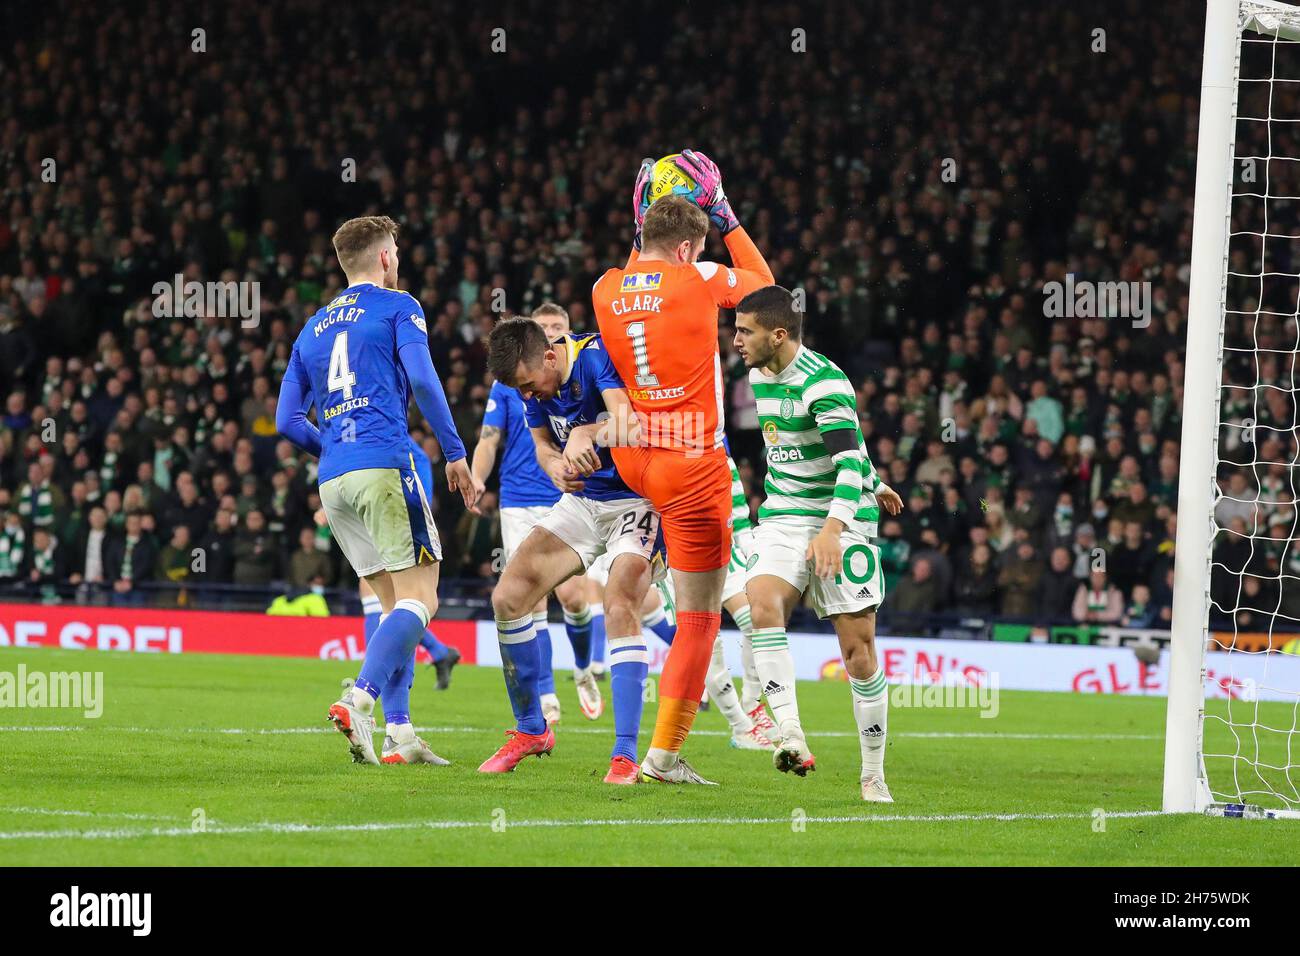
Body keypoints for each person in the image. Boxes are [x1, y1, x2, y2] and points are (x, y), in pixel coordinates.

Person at [592, 152, 775, 784]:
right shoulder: (698, 278)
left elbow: (647, 254)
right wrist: (724, 214)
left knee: (654, 589)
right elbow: (766, 287)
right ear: (690, 247)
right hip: (692, 463)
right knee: (700, 618)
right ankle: (663, 757)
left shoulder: (603, 287)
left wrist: (649, 209)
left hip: (633, 457)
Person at [275, 214, 479, 767]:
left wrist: (336, 450)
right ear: (385, 257)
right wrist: (456, 452)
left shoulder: (311, 327)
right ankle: (358, 698)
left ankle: (401, 734)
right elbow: (423, 379)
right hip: (385, 464)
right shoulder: (399, 306)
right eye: (396, 250)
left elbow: (287, 420)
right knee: (423, 597)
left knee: (393, 606)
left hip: (334, 480)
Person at [733, 284, 904, 801]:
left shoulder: (826, 383)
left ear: (778, 335)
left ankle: (873, 773)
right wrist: (873, 475)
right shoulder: (756, 374)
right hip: (784, 515)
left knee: (858, 652)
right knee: (762, 602)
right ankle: (790, 734)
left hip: (843, 518)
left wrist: (837, 525)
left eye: (746, 332)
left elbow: (847, 458)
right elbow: (845, 443)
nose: (737, 341)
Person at [477, 318, 664, 784]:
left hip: (637, 499)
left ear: (549, 357)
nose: (527, 395)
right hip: (583, 501)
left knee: (620, 602)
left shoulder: (596, 355)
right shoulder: (532, 392)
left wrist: (585, 434)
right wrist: (556, 465)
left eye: (527, 384)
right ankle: (531, 729)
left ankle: (624, 756)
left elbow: (629, 423)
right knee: (508, 597)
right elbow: (542, 445)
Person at [472, 303, 598, 724]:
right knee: (530, 598)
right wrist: (477, 478)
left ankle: (582, 667)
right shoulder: (513, 386)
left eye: (557, 329)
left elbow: (624, 421)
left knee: (576, 599)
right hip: (519, 500)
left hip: (570, 496)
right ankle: (545, 695)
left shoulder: (581, 375)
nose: (551, 334)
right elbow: (490, 440)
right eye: (543, 328)